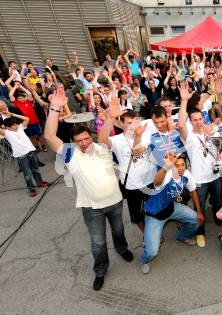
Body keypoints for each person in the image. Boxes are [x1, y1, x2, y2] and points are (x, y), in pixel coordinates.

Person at [44, 87, 134, 291]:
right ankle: (100, 271)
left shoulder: (102, 148)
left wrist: (111, 117)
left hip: (116, 202)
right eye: (79, 141)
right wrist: (54, 109)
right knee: (98, 243)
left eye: (86, 139)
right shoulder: (71, 155)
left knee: (119, 230)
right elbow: (49, 136)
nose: (84, 143)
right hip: (92, 209)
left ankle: (122, 249)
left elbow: (103, 137)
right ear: (73, 143)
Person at [178, 80, 222, 248]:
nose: (198, 122)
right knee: (201, 208)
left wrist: (213, 133)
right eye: (194, 120)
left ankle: (220, 223)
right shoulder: (189, 138)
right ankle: (200, 232)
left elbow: (219, 151)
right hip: (199, 180)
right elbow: (181, 125)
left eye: (200, 119)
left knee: (217, 202)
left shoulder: (212, 131)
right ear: (191, 122)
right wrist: (184, 101)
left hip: (216, 175)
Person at [139, 153, 201, 274]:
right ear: (173, 166)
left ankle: (182, 237)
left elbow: (193, 192)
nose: (181, 168)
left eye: (183, 165)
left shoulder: (186, 175)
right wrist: (165, 167)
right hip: (155, 215)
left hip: (171, 208)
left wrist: (199, 212)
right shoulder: (166, 175)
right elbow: (156, 182)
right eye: (177, 165)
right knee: (152, 251)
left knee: (195, 219)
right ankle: (145, 260)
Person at [98, 103, 155, 234]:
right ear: (122, 124)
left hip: (149, 181)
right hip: (131, 185)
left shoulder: (145, 135)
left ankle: (154, 231)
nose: (133, 126)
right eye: (129, 123)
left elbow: (138, 152)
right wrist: (110, 119)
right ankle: (147, 234)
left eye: (135, 122)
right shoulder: (117, 140)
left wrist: (138, 136)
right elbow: (102, 139)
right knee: (137, 215)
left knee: (153, 210)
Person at [0, 111, 49, 197]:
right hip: (21, 156)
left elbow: (26, 118)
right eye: (14, 124)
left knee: (36, 170)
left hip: (31, 152)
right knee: (28, 174)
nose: (16, 125)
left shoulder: (20, 128)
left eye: (16, 123)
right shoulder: (6, 133)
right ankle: (31, 189)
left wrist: (11, 114)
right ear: (7, 127)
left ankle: (40, 182)